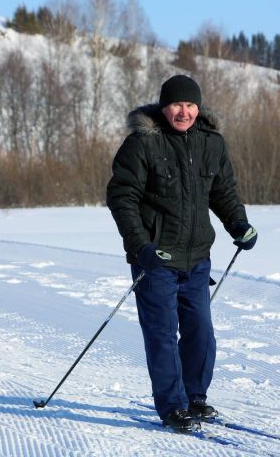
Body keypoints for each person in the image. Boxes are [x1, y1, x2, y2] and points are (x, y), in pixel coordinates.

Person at [106, 74, 258, 431]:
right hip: (155, 258)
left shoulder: (211, 144)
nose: (184, 111)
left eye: (190, 105)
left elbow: (223, 192)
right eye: (177, 104)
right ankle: (172, 406)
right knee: (162, 334)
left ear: (198, 107)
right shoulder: (142, 144)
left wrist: (239, 224)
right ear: (164, 106)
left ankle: (195, 397)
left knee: (201, 332)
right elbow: (121, 197)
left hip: (196, 258)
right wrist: (140, 246)